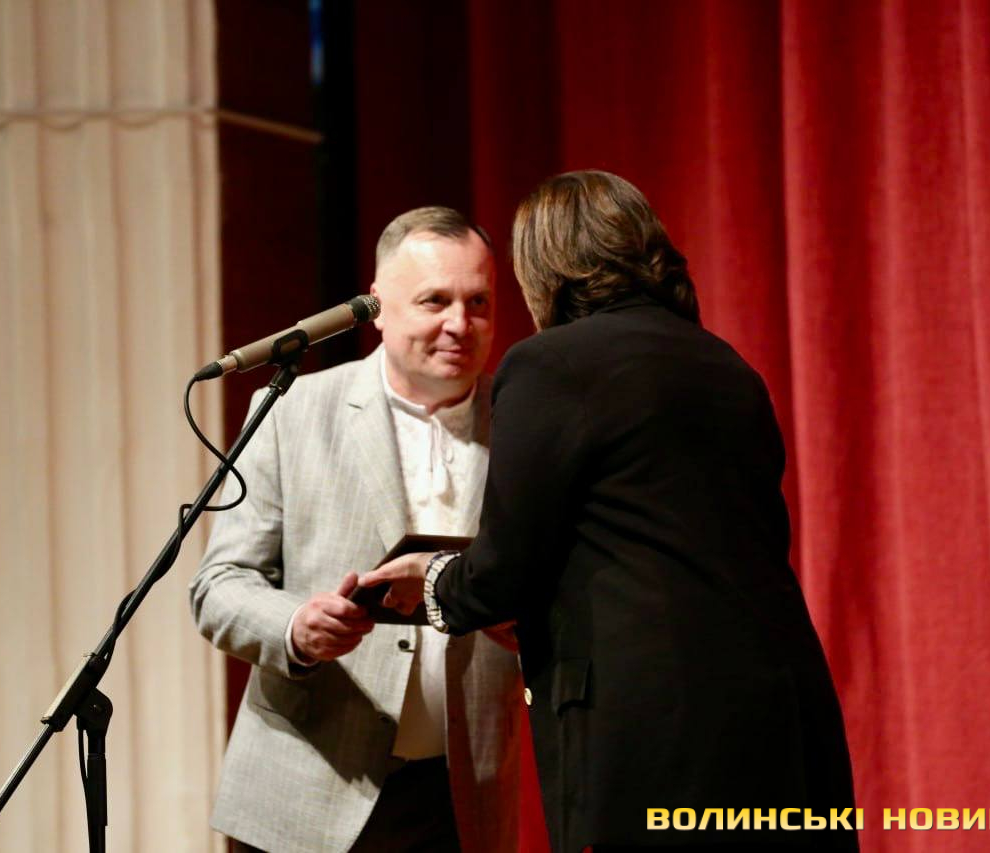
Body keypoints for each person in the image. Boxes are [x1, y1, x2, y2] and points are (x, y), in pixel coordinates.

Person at [361, 172, 858, 852]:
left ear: (544, 265)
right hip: (784, 713)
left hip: (658, 732)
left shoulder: (551, 366)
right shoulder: (727, 366)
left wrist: (433, 580)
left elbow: (507, 566)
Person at [189, 207, 523, 852]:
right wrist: (295, 627)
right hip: (306, 792)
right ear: (377, 307)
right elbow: (218, 586)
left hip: (461, 798)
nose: (460, 324)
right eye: (435, 301)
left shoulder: (523, 423)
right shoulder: (291, 411)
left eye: (478, 302)